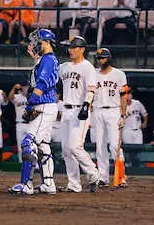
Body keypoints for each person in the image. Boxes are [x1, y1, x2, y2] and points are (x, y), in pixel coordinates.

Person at [10, 29, 60, 195]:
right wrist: (36, 58)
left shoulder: (48, 59)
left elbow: (42, 84)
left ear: (45, 42)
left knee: (28, 143)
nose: (34, 44)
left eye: (38, 41)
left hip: (43, 105)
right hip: (47, 105)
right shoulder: (46, 59)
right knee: (43, 146)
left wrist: (31, 103)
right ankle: (48, 184)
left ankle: (27, 184)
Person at [58, 36, 100, 193]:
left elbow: (91, 88)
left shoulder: (87, 66)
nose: (71, 49)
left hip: (79, 109)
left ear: (82, 49)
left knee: (75, 146)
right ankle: (74, 184)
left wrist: (87, 105)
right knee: (66, 150)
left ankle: (93, 173)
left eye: (74, 47)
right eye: (70, 47)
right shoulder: (64, 67)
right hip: (66, 109)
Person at [89, 47, 129, 187]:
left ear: (109, 58)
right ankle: (103, 177)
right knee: (100, 146)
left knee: (114, 145)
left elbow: (124, 95)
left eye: (103, 58)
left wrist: (123, 115)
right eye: (99, 58)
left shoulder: (119, 74)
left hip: (113, 111)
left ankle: (121, 177)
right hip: (98, 111)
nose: (100, 60)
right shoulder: (93, 74)